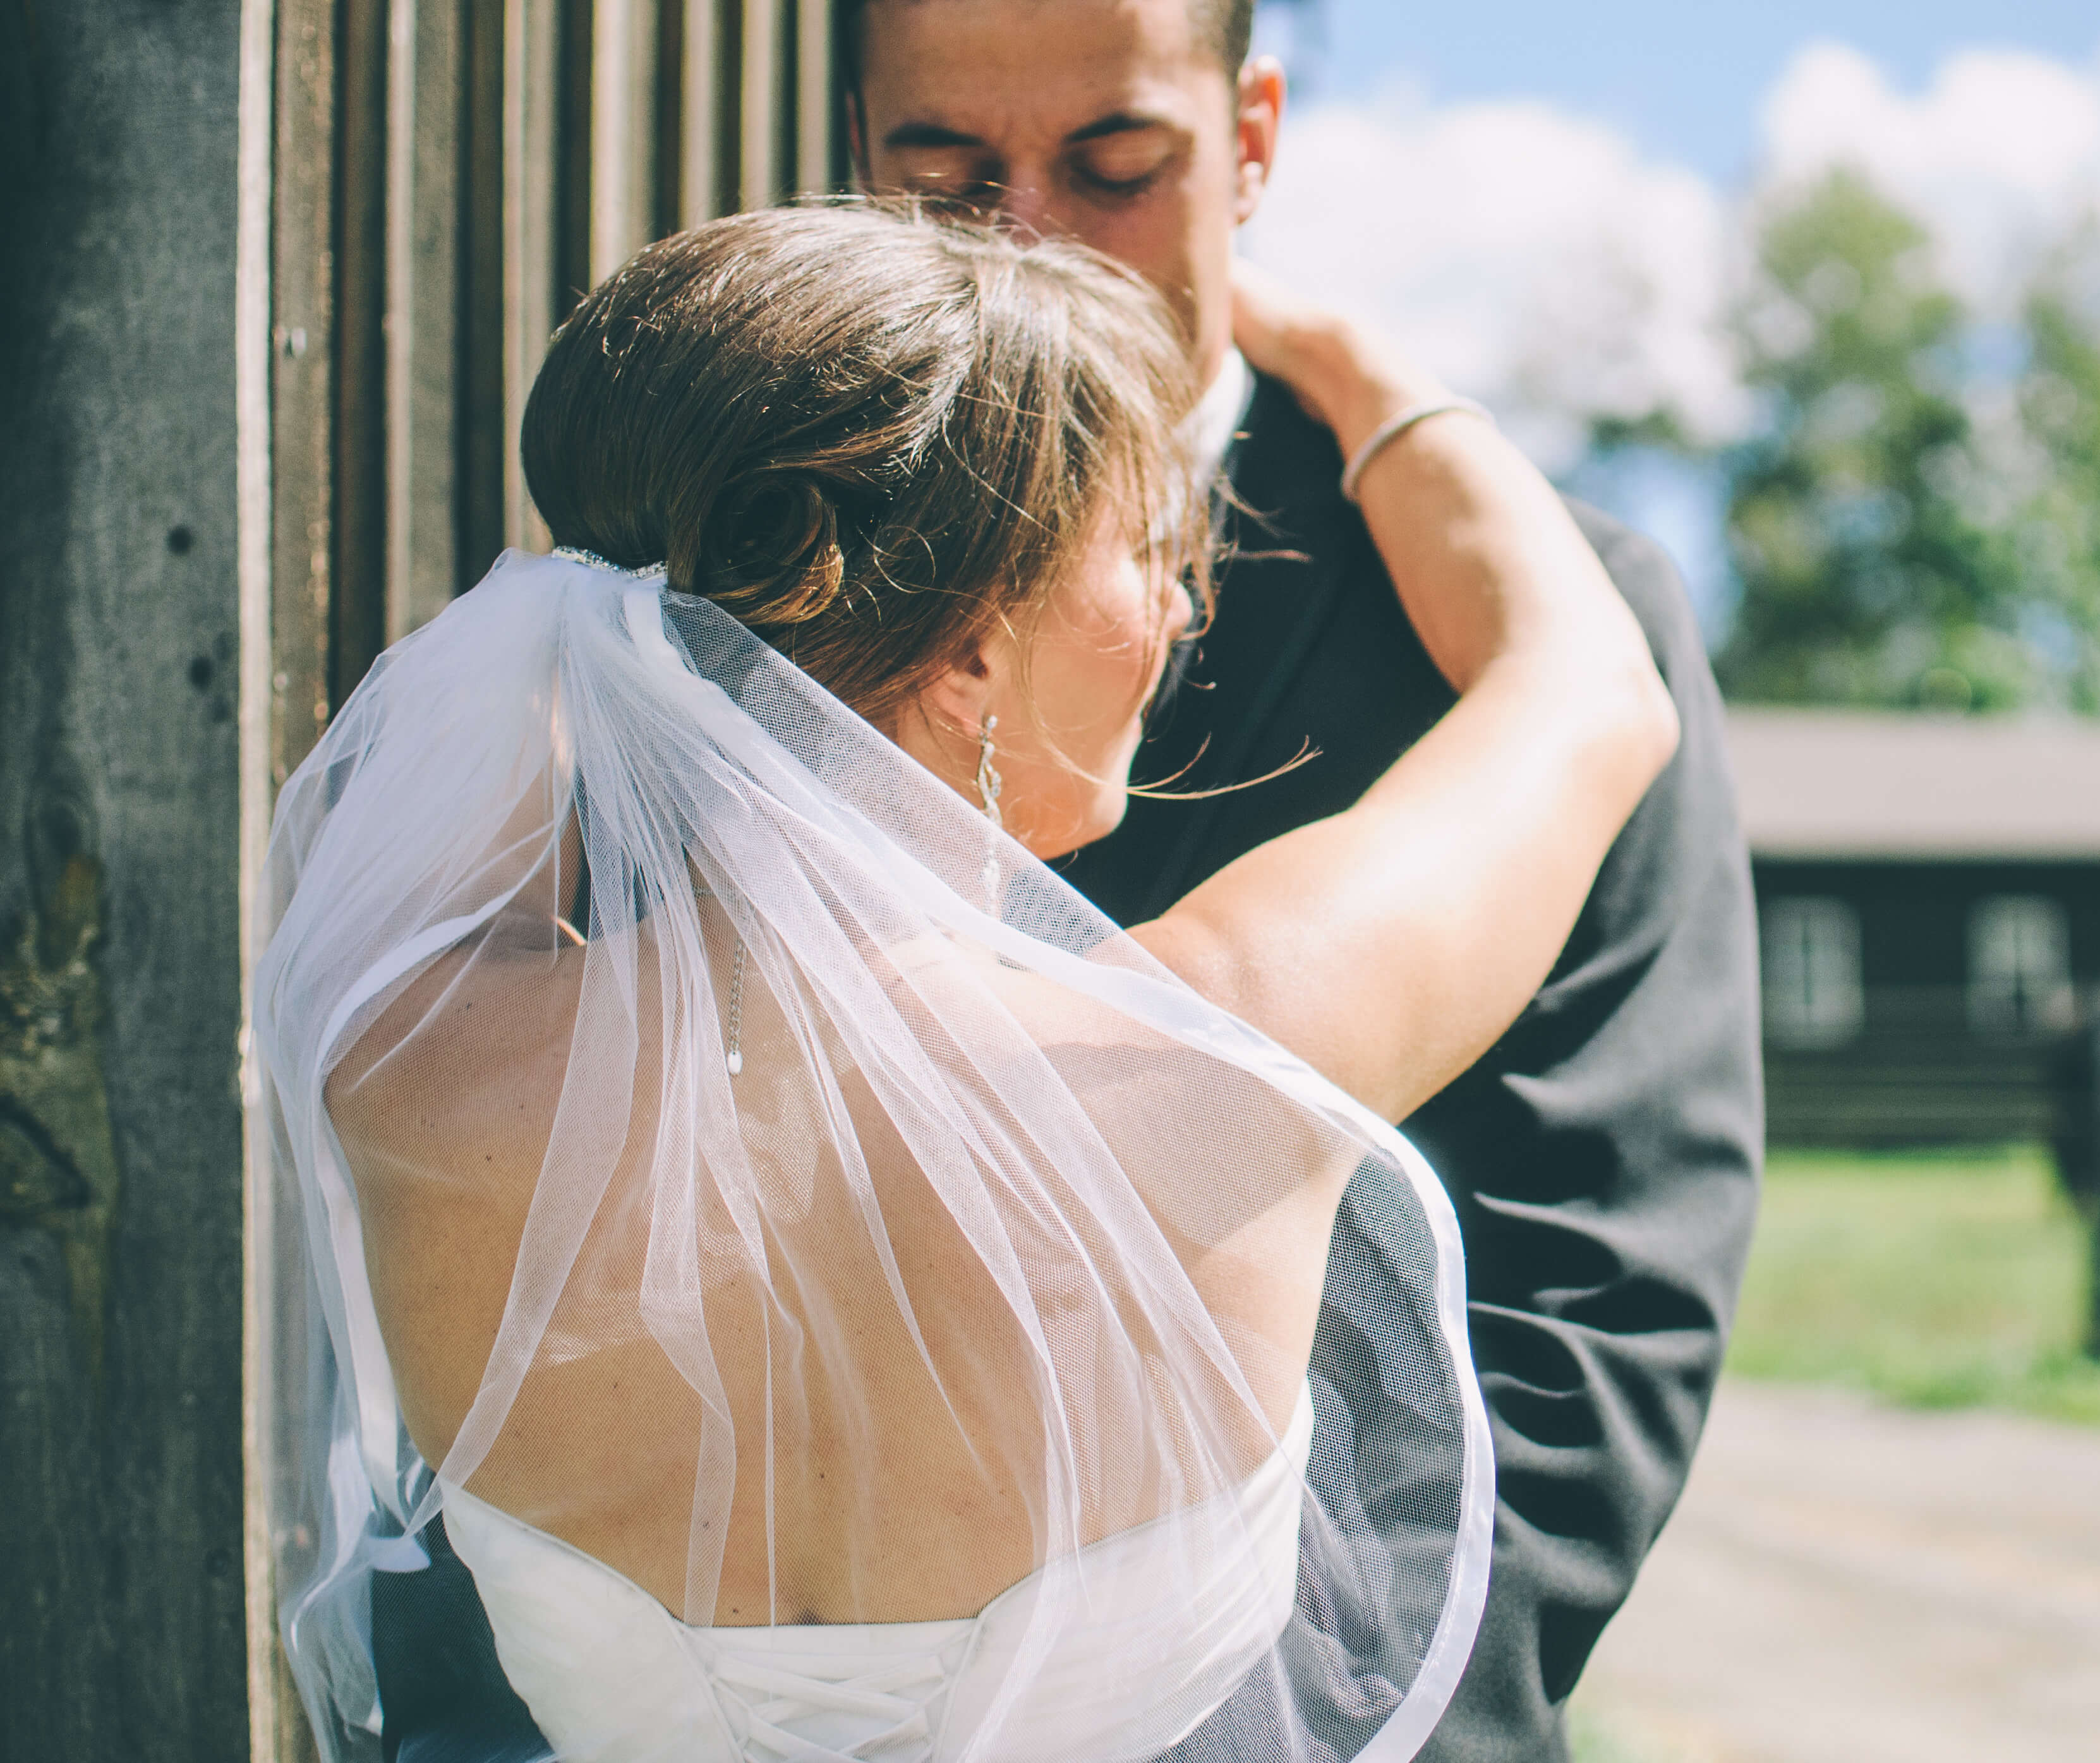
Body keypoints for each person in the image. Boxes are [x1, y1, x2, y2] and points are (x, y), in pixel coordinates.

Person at [258, 202, 1677, 1762]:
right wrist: (1340, 359)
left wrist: (619, 610)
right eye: (1147, 548)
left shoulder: (408, 1060)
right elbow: (1590, 689)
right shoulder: (1223, 1047)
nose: (1182, 607)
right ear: (973, 657)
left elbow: (530, 723)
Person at [850, 3, 1765, 1757]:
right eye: (949, 178)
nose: (1033, 238)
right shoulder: (750, 587)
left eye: (1117, 167)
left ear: (1251, 139)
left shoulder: (1539, 616)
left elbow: (1595, 1290)